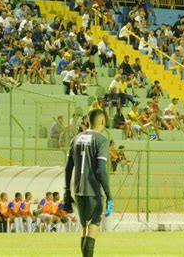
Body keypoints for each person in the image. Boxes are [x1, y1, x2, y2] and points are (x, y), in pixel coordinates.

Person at [64, 109, 113, 257]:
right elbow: (101, 170)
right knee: (92, 230)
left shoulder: (76, 139)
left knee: (84, 230)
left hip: (78, 190)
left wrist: (67, 191)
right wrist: (108, 193)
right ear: (103, 122)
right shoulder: (102, 140)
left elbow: (68, 168)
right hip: (93, 191)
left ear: (87, 121)